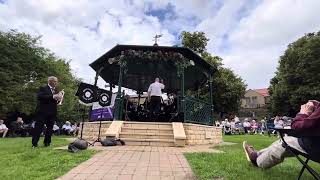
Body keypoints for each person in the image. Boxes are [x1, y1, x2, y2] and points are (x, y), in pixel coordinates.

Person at [243, 100, 320, 168]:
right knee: (290, 143)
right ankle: (258, 154)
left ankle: (256, 160)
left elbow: (296, 127)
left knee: (284, 143)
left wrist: (303, 113)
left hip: (315, 147)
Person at [32, 76, 63, 148]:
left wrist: (59, 99)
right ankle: (34, 143)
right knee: (38, 128)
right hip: (42, 111)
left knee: (50, 128)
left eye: (56, 81)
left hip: (52, 112)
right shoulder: (43, 88)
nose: (56, 83)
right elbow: (40, 97)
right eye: (55, 81)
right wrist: (53, 96)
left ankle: (47, 143)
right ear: (50, 81)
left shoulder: (56, 90)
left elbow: (56, 100)